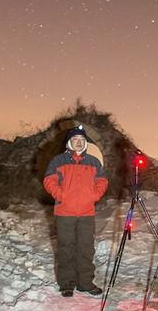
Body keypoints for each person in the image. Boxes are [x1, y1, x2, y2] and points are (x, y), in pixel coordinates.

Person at [43, 125, 109, 297]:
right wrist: (61, 194)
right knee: (66, 248)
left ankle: (85, 283)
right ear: (69, 143)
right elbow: (49, 180)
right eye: (75, 140)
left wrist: (94, 195)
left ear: (85, 143)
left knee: (86, 248)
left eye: (82, 140)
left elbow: (102, 181)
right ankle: (67, 284)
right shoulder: (59, 161)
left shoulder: (93, 162)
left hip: (87, 213)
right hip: (65, 213)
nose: (79, 143)